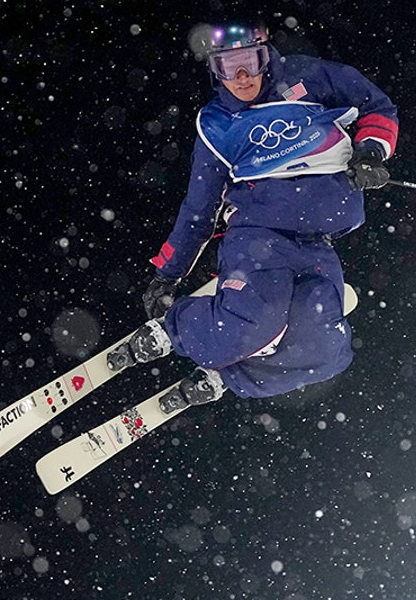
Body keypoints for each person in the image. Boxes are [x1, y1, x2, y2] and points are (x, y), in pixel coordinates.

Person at [109, 22, 398, 414]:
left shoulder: (309, 77)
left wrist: (372, 151)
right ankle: (174, 330)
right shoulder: (217, 125)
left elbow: (376, 106)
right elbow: (199, 209)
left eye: (250, 62)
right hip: (259, 237)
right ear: (216, 71)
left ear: (266, 55)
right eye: (230, 68)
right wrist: (169, 272)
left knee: (326, 350)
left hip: (317, 241)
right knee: (251, 324)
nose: (242, 77)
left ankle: (230, 377)